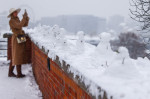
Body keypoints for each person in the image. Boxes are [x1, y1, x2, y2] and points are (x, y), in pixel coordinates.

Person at [7, 8, 29, 78]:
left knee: (17, 55)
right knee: (17, 56)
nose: (16, 13)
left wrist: (26, 18)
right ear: (12, 14)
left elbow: (24, 25)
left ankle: (11, 72)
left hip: (20, 37)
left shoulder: (17, 19)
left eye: (16, 12)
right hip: (16, 38)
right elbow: (19, 26)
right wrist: (24, 18)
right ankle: (18, 74)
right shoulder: (11, 21)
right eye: (14, 12)